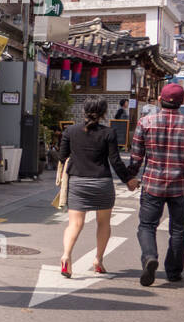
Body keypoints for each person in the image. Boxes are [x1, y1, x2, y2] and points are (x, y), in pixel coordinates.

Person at [129, 82, 184, 286]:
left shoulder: (145, 122)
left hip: (153, 183)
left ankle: (150, 257)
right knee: (178, 229)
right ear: (182, 102)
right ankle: (174, 272)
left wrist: (130, 177)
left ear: (160, 99)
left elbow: (136, 156)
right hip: (180, 185)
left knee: (146, 225)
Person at [56, 97, 136, 278]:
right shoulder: (109, 133)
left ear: (84, 110)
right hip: (102, 182)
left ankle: (66, 256)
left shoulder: (70, 131)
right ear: (104, 112)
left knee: (75, 224)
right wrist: (128, 179)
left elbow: (62, 156)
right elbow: (115, 161)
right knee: (103, 223)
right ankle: (98, 260)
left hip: (77, 182)